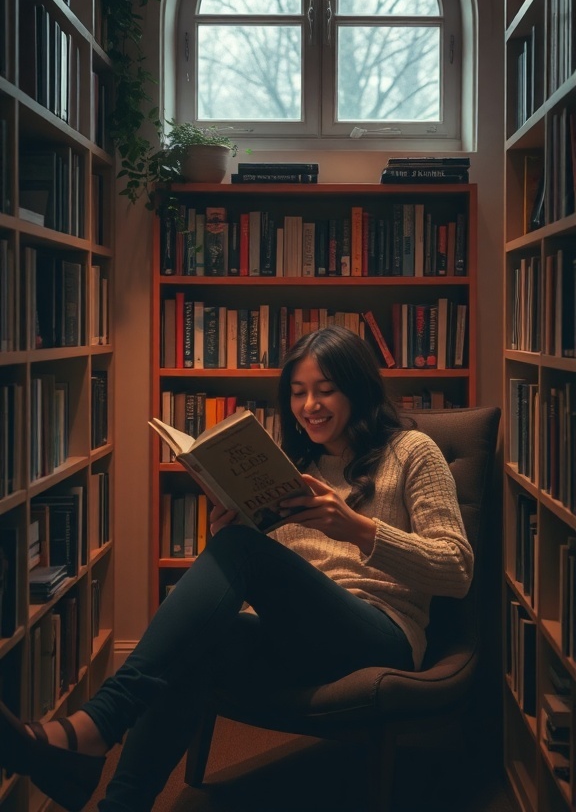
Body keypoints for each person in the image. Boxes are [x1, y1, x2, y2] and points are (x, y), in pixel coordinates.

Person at [0, 326, 474, 811]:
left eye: (325, 390)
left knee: (244, 552)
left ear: (358, 388)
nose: (310, 405)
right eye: (297, 392)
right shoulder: (289, 464)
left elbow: (457, 571)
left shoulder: (413, 451)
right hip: (294, 636)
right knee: (198, 641)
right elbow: (272, 579)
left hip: (379, 634)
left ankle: (96, 724)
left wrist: (357, 529)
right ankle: (120, 805)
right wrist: (227, 531)